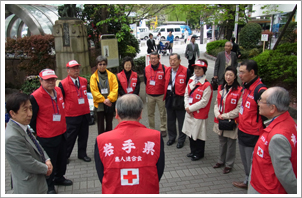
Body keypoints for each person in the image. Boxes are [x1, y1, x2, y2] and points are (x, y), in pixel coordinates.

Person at [94, 94, 165, 194]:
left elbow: (101, 174)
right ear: (141, 113)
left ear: (117, 113)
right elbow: (159, 170)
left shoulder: (101, 140)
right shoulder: (155, 137)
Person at [30, 69, 72, 194]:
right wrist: (36, 135)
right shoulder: (35, 97)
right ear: (40, 80)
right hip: (47, 136)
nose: (51, 82)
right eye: (47, 80)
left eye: (53, 79)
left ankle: (59, 177)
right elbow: (32, 119)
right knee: (49, 162)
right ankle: (49, 185)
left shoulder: (58, 91)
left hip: (62, 132)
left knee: (62, 159)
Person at [248, 87, 297, 194]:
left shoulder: (278, 137)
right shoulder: (288, 122)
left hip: (266, 190)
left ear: (272, 108)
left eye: (261, 100)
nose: (258, 103)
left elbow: (285, 175)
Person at [5, 92, 53, 194]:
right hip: (29, 187)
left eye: (30, 108)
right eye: (25, 110)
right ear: (12, 113)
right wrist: (46, 168)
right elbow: (29, 163)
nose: (30, 114)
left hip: (37, 183)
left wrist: (47, 159)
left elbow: (36, 143)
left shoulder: (22, 126)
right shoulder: (12, 137)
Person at [232, 60, 267, 189]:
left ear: (252, 72)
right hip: (242, 130)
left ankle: (254, 185)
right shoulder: (246, 87)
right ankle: (248, 180)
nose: (239, 75)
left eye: (242, 72)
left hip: (253, 134)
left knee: (253, 162)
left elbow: (267, 115)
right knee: (245, 161)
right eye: (239, 71)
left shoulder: (260, 90)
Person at [58, 60, 91, 163]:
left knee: (84, 136)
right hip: (71, 115)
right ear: (68, 70)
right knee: (70, 137)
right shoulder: (63, 84)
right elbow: (60, 100)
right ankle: (65, 155)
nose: (76, 70)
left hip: (84, 113)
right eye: (73, 68)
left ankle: (82, 154)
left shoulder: (84, 81)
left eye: (77, 68)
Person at [212, 66, 243, 174]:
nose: (228, 77)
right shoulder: (221, 88)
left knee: (231, 143)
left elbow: (239, 108)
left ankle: (229, 164)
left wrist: (225, 115)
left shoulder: (240, 90)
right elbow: (216, 103)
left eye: (231, 75)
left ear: (235, 77)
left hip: (231, 121)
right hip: (220, 120)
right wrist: (217, 114)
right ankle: (221, 160)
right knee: (221, 142)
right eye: (226, 75)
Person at [182, 59, 213, 161]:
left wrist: (190, 108)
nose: (197, 70)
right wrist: (187, 107)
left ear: (204, 70)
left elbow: (204, 102)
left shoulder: (207, 85)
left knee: (199, 134)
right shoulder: (191, 80)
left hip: (199, 114)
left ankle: (199, 153)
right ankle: (192, 151)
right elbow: (186, 94)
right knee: (190, 132)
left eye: (199, 68)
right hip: (190, 112)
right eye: (195, 68)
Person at [164, 53, 191, 149]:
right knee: (170, 120)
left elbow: (190, 86)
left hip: (180, 99)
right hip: (169, 98)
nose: (172, 62)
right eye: (171, 60)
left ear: (179, 60)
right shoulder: (167, 70)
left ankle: (181, 139)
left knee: (181, 121)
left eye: (175, 59)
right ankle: (171, 138)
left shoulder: (186, 71)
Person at [90, 55, 118, 135]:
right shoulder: (93, 77)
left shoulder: (112, 76)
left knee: (109, 124)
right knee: (100, 126)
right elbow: (94, 91)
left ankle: (109, 142)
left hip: (109, 103)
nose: (102, 66)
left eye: (104, 64)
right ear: (97, 65)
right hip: (99, 105)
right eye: (100, 64)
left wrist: (109, 99)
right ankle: (101, 142)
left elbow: (115, 89)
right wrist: (104, 100)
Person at [144, 52, 167, 137]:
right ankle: (151, 128)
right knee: (150, 113)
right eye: (151, 58)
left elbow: (166, 81)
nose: (153, 60)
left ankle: (163, 128)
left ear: (158, 58)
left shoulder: (164, 68)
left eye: (155, 58)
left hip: (161, 95)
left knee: (162, 113)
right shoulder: (146, 69)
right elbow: (145, 81)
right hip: (150, 95)